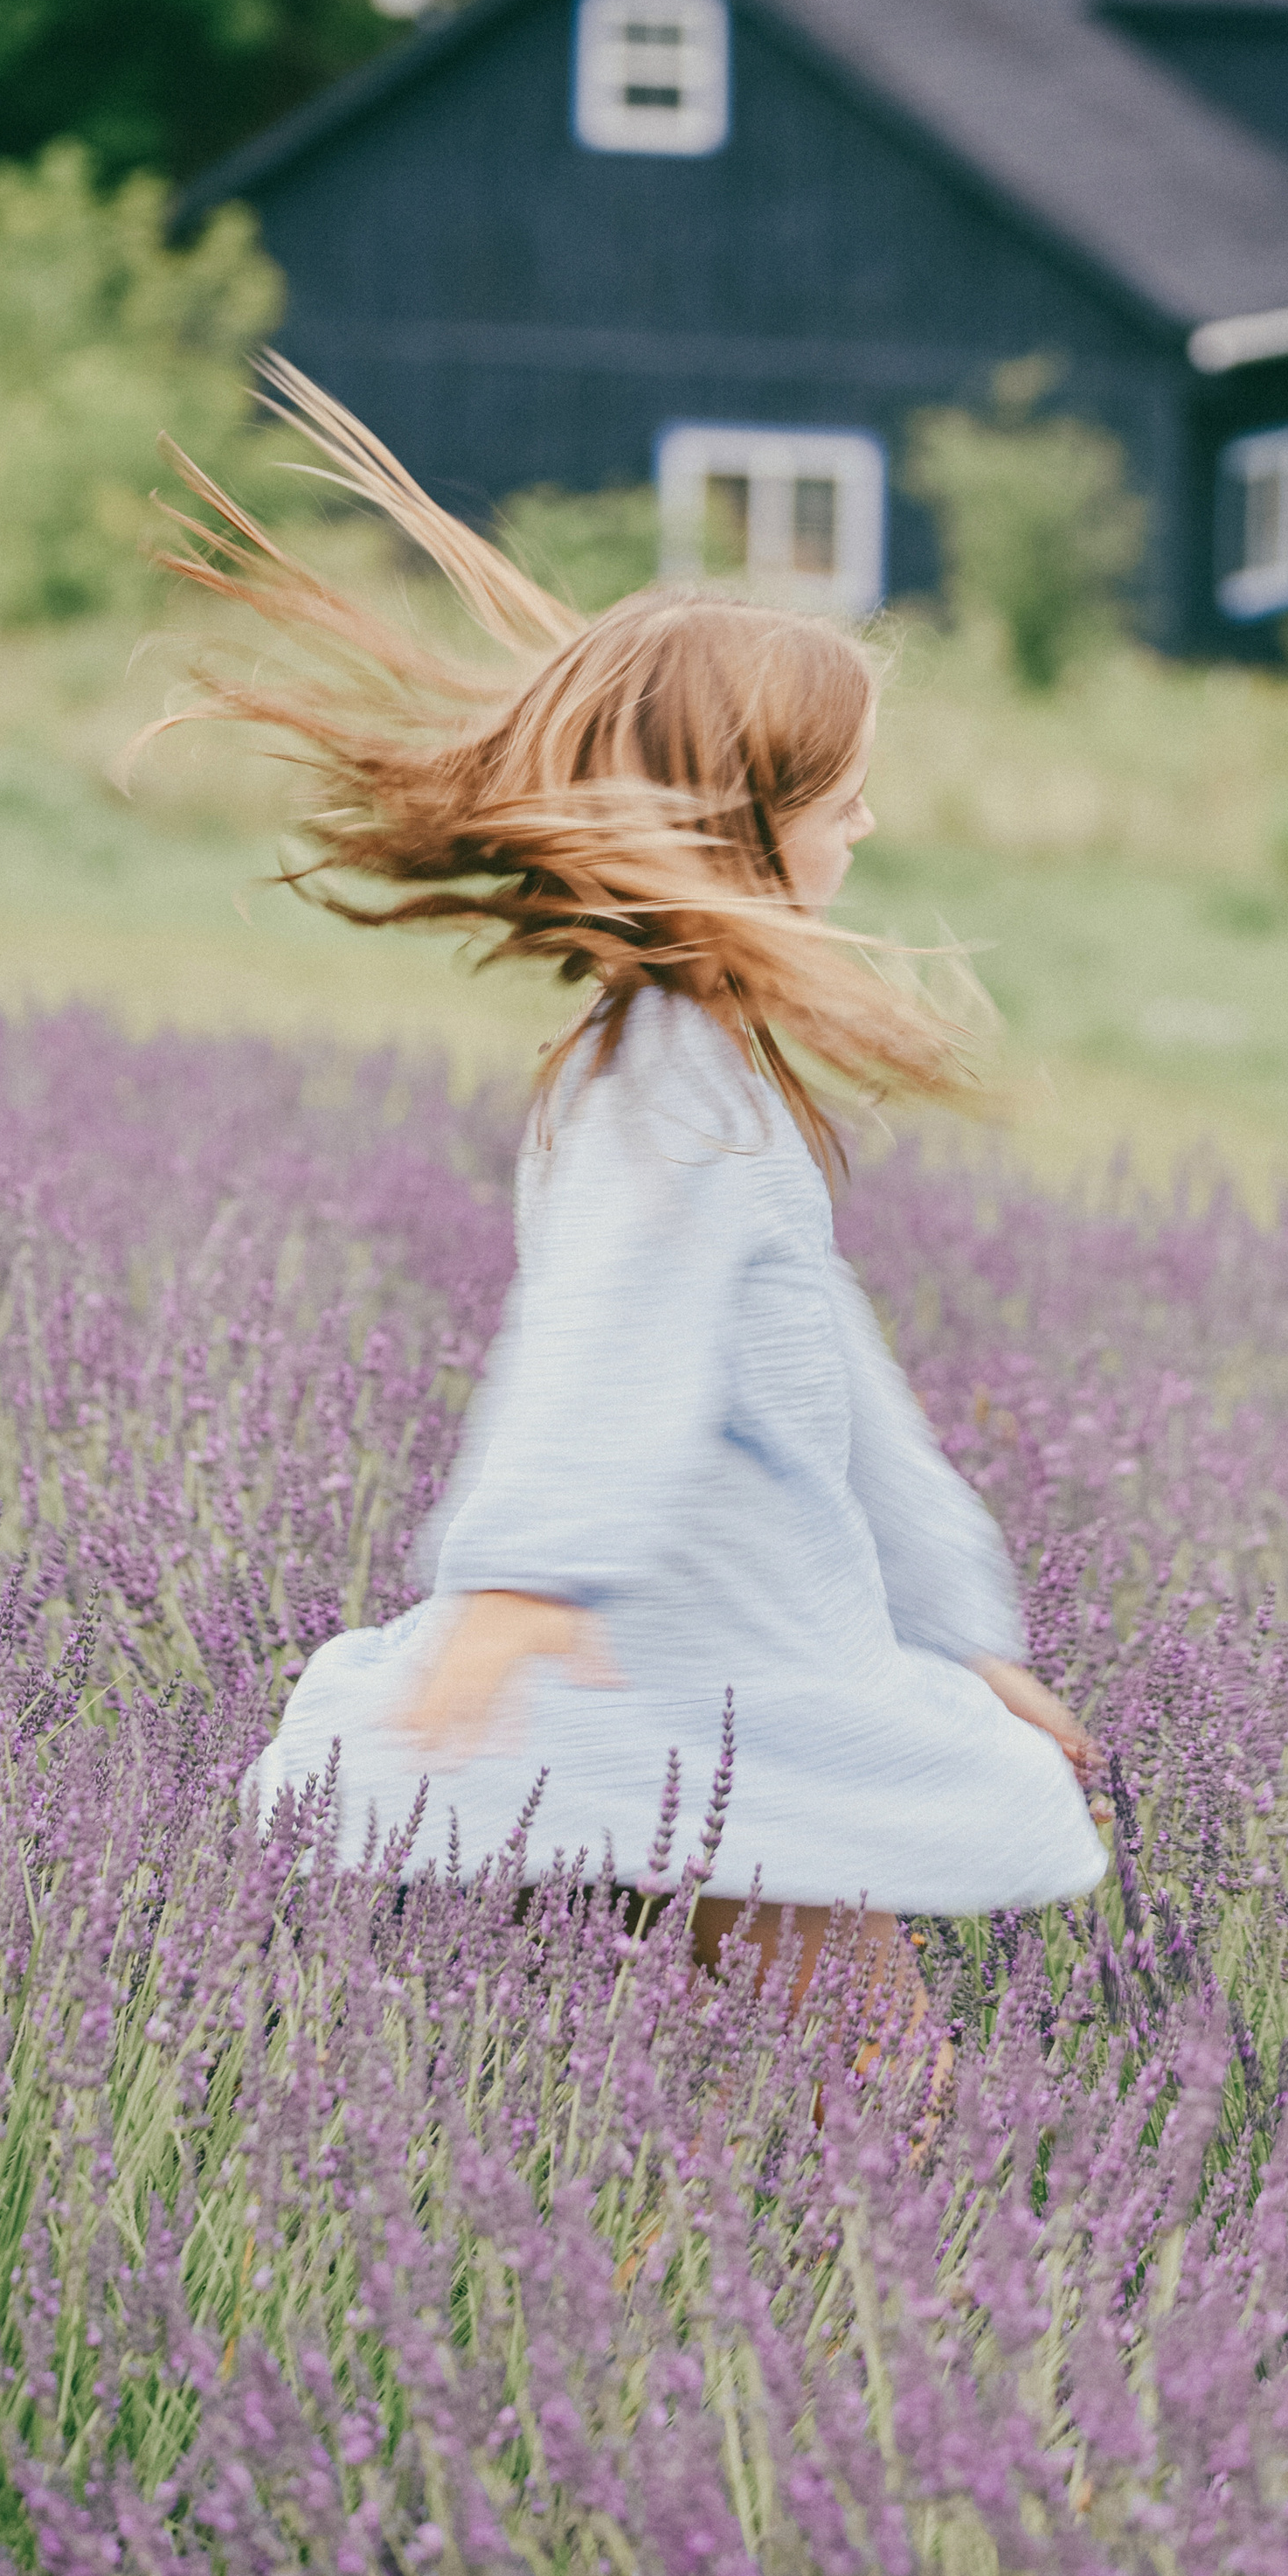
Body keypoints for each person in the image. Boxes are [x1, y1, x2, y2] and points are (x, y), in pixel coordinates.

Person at [173, 361, 1106, 2014]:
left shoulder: (710, 1066)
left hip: (711, 1663)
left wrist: (962, 1634)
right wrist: (527, 1572)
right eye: (845, 793)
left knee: (702, 2072)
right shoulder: (664, 1085)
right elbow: (602, 1328)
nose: (871, 821)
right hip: (682, 1677)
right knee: (869, 2096)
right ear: (746, 818)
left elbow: (837, 1389)